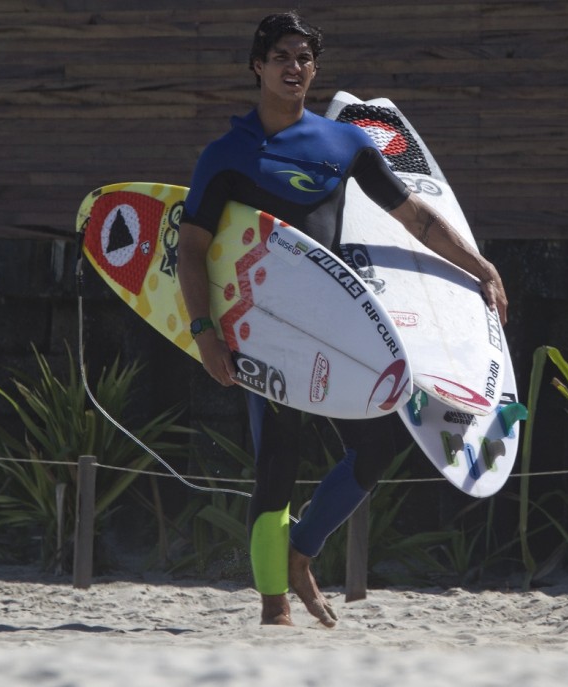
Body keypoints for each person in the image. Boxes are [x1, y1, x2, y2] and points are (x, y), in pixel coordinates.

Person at [177, 12, 508, 628]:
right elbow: (190, 249)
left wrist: (479, 266)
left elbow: (415, 218)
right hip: (263, 327)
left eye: (304, 58)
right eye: (281, 56)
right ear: (257, 65)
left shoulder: (343, 144)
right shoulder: (227, 155)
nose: (294, 67)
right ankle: (273, 608)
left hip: (337, 324)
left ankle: (302, 550)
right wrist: (205, 333)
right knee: (277, 457)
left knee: (378, 444)